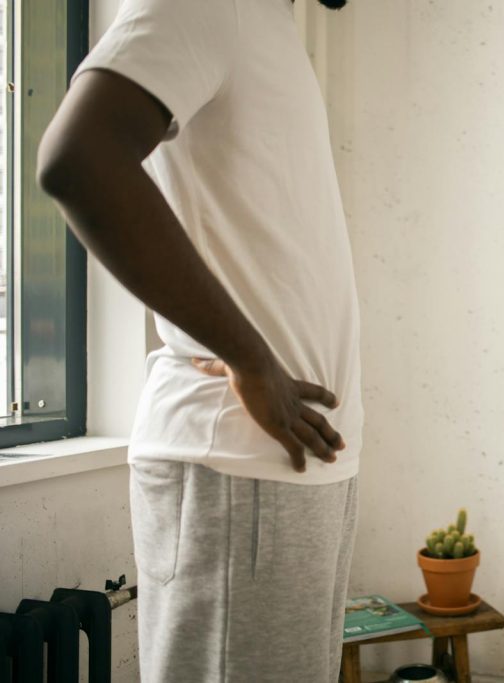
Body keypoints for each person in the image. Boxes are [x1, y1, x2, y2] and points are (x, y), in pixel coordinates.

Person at [37, 0, 360, 680]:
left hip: (283, 472)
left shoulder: (267, 25)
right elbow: (79, 157)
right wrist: (250, 356)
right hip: (235, 469)